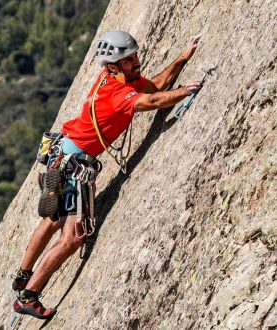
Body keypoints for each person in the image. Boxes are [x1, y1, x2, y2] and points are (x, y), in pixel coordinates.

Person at [12, 30, 202, 319]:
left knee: (52, 220)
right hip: (75, 165)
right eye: (129, 59)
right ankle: (29, 295)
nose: (136, 61)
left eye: (135, 56)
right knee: (73, 237)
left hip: (61, 153)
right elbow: (152, 102)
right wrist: (186, 92)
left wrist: (182, 57)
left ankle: (23, 275)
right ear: (113, 66)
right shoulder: (120, 94)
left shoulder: (112, 79)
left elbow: (156, 86)